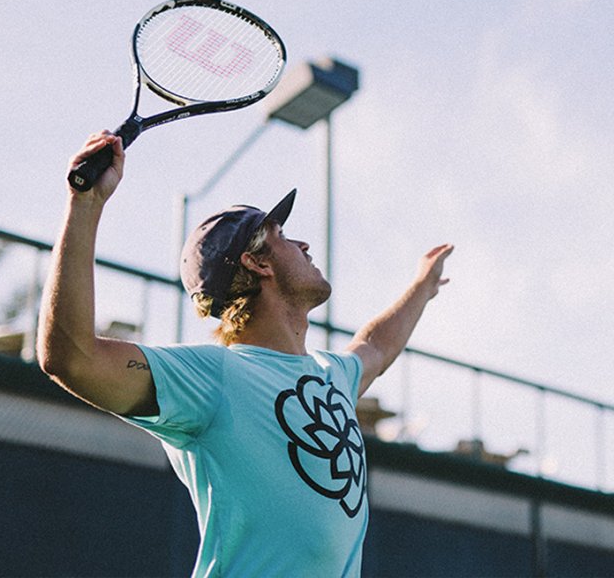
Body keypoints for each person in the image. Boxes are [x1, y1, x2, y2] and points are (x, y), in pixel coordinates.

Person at [37, 131, 454, 578]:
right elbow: (71, 358)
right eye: (283, 236)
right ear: (258, 263)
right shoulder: (214, 375)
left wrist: (422, 286)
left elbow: (375, 345)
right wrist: (85, 204)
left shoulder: (332, 376)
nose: (304, 245)